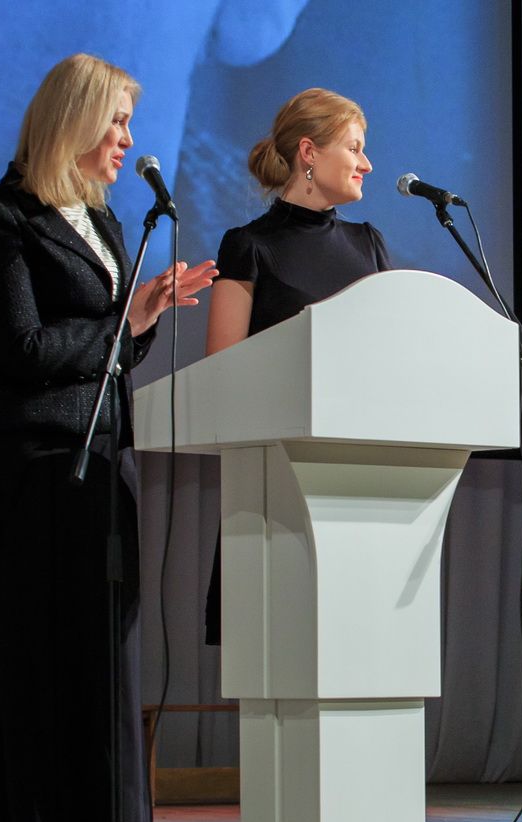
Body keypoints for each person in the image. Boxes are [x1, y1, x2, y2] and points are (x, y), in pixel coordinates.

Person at [0, 53, 217, 822]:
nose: (128, 141)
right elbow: (23, 350)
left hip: (104, 464)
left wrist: (142, 319)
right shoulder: (1, 217)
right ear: (72, 121)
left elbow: (113, 358)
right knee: (33, 671)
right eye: (116, 122)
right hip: (29, 468)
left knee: (99, 671)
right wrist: (125, 320)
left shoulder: (104, 221)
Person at [202, 87, 391, 643]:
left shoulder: (368, 244)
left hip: (359, 476)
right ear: (309, 152)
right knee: (276, 641)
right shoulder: (248, 246)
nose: (366, 163)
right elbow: (222, 371)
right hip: (275, 481)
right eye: (354, 148)